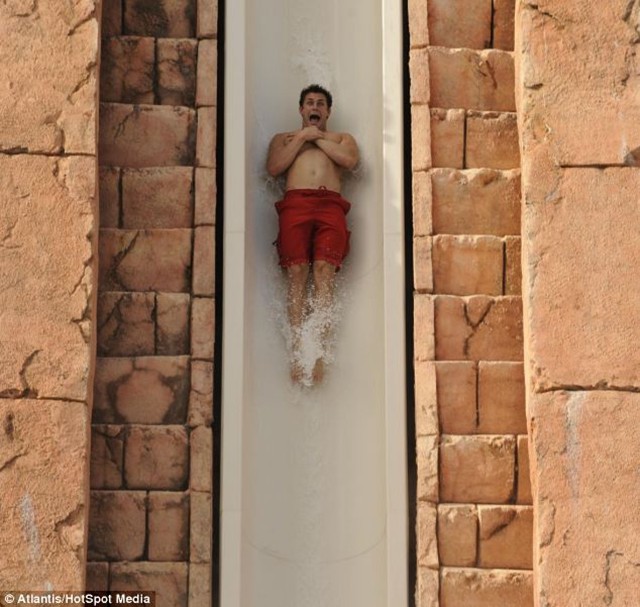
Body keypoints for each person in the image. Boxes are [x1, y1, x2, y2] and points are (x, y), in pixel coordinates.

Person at [267, 84, 359, 385]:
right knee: (296, 272)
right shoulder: (284, 139)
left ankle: (317, 351)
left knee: (324, 272)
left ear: (328, 111)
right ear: (301, 110)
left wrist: (315, 138)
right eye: (309, 103)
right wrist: (303, 137)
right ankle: (297, 348)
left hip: (330, 205)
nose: (315, 107)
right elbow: (274, 167)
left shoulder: (342, 139)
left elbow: (351, 161)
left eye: (320, 103)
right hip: (295, 204)